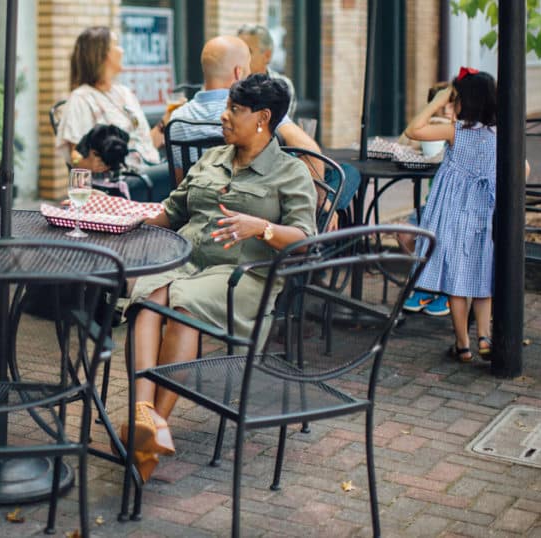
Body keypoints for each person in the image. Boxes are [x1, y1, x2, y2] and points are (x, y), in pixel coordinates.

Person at [125, 74, 317, 481]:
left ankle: (151, 423)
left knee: (179, 302)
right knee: (149, 290)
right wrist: (130, 219)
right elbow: (172, 211)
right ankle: (145, 418)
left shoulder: (290, 172)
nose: (224, 117)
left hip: (242, 276)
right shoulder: (212, 158)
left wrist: (260, 227)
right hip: (188, 258)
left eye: (234, 110)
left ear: (263, 118)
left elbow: (304, 239)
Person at [168, 35, 355, 230]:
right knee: (347, 173)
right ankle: (324, 219)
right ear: (238, 72)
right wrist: (319, 206)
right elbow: (309, 150)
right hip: (264, 207)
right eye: (248, 68)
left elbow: (182, 181)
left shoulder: (177, 119)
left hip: (203, 207)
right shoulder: (253, 108)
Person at [404, 68, 498, 362]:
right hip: (486, 214)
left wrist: (436, 101)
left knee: (457, 282)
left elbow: (413, 130)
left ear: (462, 101)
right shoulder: (500, 134)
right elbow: (525, 170)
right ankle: (484, 335)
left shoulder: (455, 131)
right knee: (482, 278)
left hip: (455, 215)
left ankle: (463, 344)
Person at [55, 26, 173, 202]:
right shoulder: (81, 98)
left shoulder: (124, 93)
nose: (122, 50)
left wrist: (167, 118)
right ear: (102, 55)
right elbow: (76, 158)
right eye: (116, 44)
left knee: (182, 172)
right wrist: (92, 163)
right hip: (121, 182)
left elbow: (145, 145)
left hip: (148, 171)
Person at [398, 82, 457, 317]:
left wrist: (442, 123)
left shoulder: (461, 132)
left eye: (450, 105)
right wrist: (432, 116)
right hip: (431, 205)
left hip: (453, 207)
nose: (446, 111)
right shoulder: (432, 128)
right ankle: (426, 283)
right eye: (441, 105)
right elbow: (404, 141)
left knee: (438, 235)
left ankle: (442, 289)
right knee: (403, 233)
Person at [237, 24, 297, 117]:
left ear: (267, 55)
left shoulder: (282, 86)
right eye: (238, 52)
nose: (240, 57)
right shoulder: (228, 83)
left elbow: (279, 126)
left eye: (248, 52)